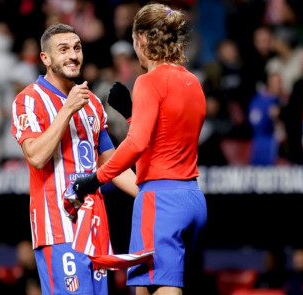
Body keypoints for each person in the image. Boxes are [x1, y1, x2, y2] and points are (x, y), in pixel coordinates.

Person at [73, 3, 207, 295]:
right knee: (144, 288)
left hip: (161, 201)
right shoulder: (192, 81)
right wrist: (133, 114)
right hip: (192, 199)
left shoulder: (148, 81)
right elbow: (168, 138)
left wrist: (96, 179)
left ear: (142, 40)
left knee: (163, 287)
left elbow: (136, 144)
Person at [10, 23, 138, 295]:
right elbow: (36, 156)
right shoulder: (29, 100)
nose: (72, 55)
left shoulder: (92, 102)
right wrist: (66, 109)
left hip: (95, 229)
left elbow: (112, 164)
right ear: (46, 58)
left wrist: (148, 194)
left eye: (77, 48)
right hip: (58, 228)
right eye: (63, 49)